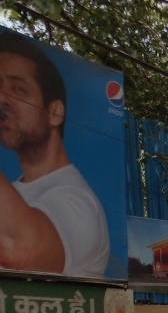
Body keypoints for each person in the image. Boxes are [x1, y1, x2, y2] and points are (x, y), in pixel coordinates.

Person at [0, 32, 108, 277]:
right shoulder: (14, 195)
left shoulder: (78, 202)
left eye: (18, 89)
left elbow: (16, 248)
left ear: (55, 112)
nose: (2, 100)